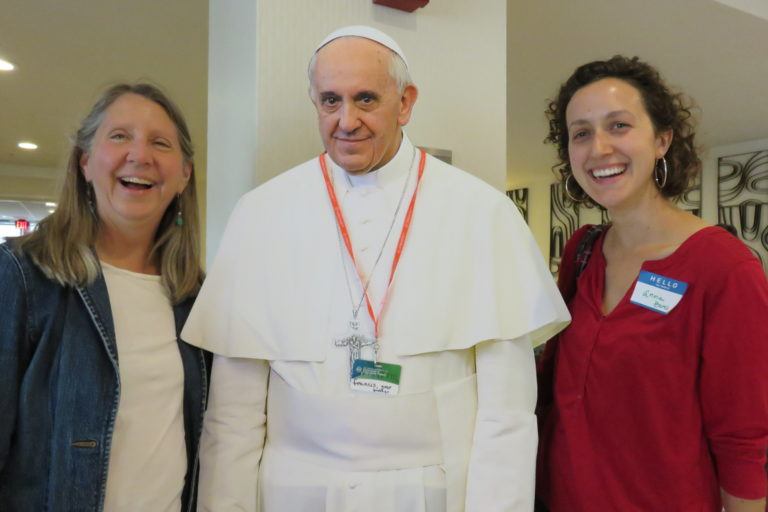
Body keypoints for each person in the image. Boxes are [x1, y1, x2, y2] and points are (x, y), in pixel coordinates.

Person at [183, 25, 569, 511]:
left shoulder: (481, 212)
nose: (346, 120)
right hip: (290, 493)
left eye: (366, 99)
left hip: (435, 492)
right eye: (329, 100)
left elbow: (507, 416)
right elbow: (232, 416)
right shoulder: (261, 213)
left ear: (405, 102)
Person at [536, 55, 768, 511]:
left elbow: (743, 437)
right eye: (580, 133)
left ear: (662, 139)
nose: (599, 147)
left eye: (619, 125)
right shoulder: (582, 252)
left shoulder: (723, 268)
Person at [0, 83, 210, 511]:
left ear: (184, 173)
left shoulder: (196, 295)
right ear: (85, 162)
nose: (140, 155)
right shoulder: (24, 274)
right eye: (119, 136)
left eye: (160, 142)